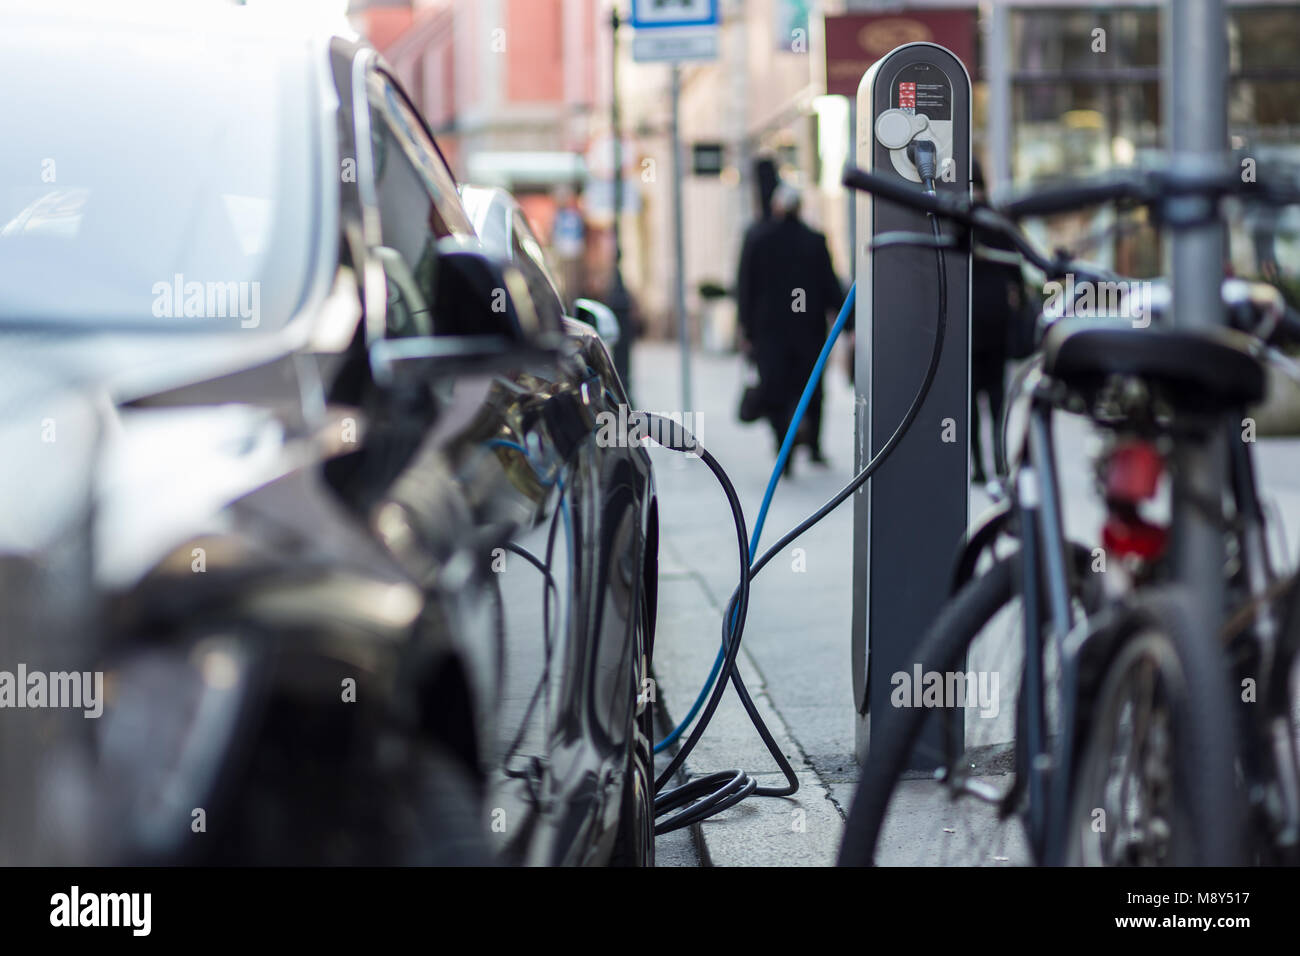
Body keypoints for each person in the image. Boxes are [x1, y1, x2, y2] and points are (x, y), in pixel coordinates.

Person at [736, 181, 845, 475]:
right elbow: (829, 284)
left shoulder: (758, 239)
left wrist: (745, 328)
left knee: (776, 389)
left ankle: (783, 446)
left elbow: (746, 286)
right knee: (811, 388)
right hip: (809, 330)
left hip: (770, 332)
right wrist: (846, 321)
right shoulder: (815, 240)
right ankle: (814, 446)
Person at [970, 160, 1027, 483]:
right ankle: (1000, 462)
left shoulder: (958, 218)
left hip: (968, 321)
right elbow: (1016, 271)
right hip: (996, 320)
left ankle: (977, 465)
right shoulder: (997, 220)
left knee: (970, 399)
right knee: (996, 398)